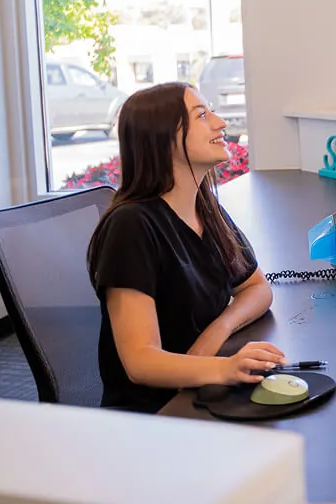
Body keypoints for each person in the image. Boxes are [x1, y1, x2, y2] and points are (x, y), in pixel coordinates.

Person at [87, 82, 283, 412]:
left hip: (200, 391)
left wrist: (216, 332)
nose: (220, 123)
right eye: (202, 115)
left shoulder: (205, 209)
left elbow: (257, 287)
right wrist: (227, 367)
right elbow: (140, 362)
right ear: (163, 138)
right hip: (157, 414)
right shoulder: (131, 225)